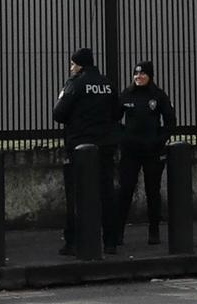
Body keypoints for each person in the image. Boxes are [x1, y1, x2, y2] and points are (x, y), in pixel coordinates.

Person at [52, 46, 120, 255]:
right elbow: (117, 112)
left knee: (77, 195)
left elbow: (59, 113)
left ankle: (73, 242)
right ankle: (110, 241)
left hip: (79, 147)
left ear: (79, 65)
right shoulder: (107, 84)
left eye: (73, 64)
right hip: (105, 145)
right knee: (106, 193)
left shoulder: (75, 83)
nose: (71, 68)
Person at [111, 59, 175, 247]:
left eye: (143, 74)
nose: (139, 77)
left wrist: (158, 140)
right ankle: (118, 233)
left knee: (152, 191)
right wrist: (123, 136)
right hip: (130, 151)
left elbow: (170, 121)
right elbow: (113, 117)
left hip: (152, 151)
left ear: (150, 76)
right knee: (125, 191)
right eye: (136, 74)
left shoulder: (158, 96)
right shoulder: (127, 94)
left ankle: (154, 231)